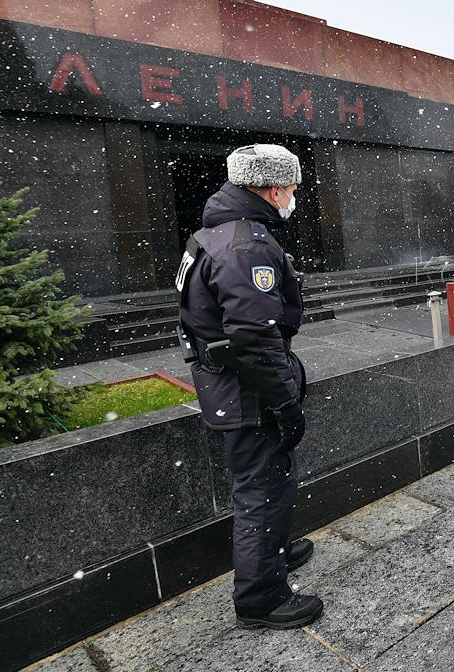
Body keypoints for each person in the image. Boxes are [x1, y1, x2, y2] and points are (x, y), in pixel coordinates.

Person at [176, 143, 322, 629]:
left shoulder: (213, 233)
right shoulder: (247, 244)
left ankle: (272, 552)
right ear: (275, 187)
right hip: (248, 389)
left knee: (269, 482)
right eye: (294, 188)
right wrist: (285, 402)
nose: (295, 196)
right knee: (261, 488)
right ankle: (260, 599)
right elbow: (256, 335)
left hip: (229, 383)